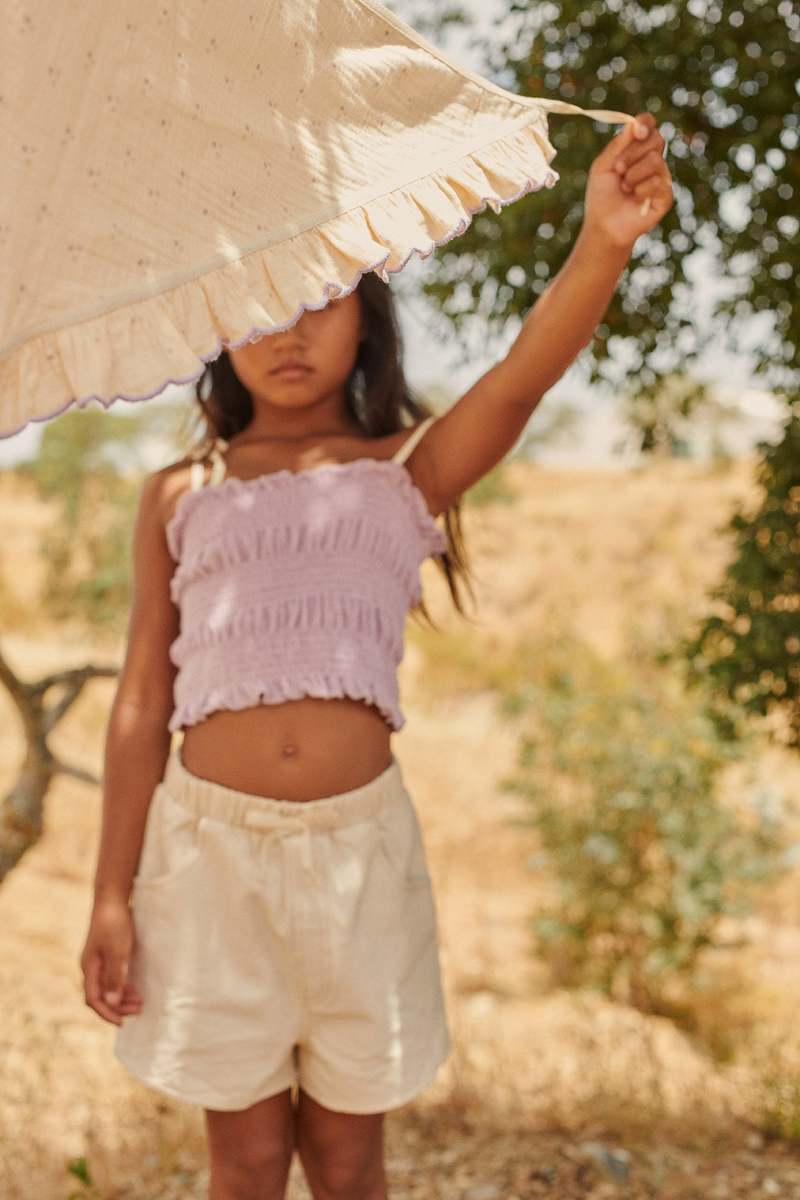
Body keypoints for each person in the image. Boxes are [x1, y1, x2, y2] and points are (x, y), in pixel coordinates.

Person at [80, 113, 673, 1200]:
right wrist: (111, 893)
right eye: (261, 303)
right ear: (219, 328)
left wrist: (602, 241)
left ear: (367, 316)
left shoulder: (407, 470)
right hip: (208, 860)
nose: (290, 330)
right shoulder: (179, 494)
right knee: (245, 1162)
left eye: (320, 296)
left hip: (360, 858)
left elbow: (520, 379)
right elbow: (139, 701)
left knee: (350, 1161)